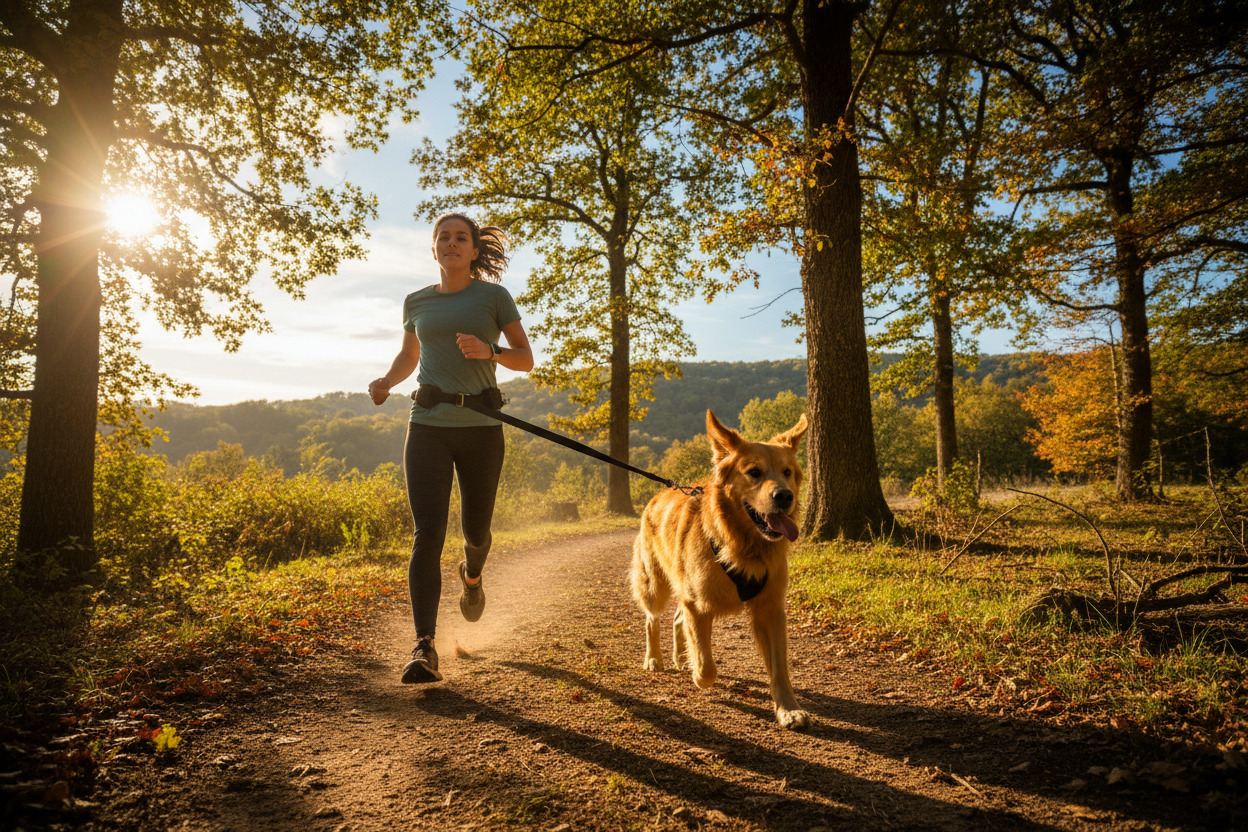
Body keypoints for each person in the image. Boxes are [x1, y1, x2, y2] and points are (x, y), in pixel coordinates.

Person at [368, 213, 533, 684]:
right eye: (444, 237)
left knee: (476, 530)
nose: (452, 243)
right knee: (428, 532)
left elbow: (525, 357)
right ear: (433, 248)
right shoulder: (416, 302)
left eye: (462, 238)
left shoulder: (493, 297)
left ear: (474, 251)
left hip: (482, 427)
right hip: (428, 426)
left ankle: (472, 574)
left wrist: (491, 352)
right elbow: (409, 355)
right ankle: (424, 646)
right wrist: (387, 380)